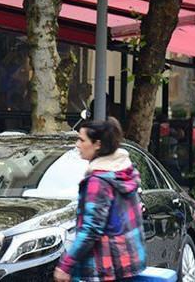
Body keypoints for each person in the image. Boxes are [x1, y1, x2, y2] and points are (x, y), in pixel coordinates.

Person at [54, 118, 146, 282]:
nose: (77, 145)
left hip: (104, 267)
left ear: (97, 144)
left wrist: (65, 265)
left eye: (82, 140)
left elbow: (90, 229)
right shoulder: (124, 171)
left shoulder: (98, 181)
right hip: (127, 263)